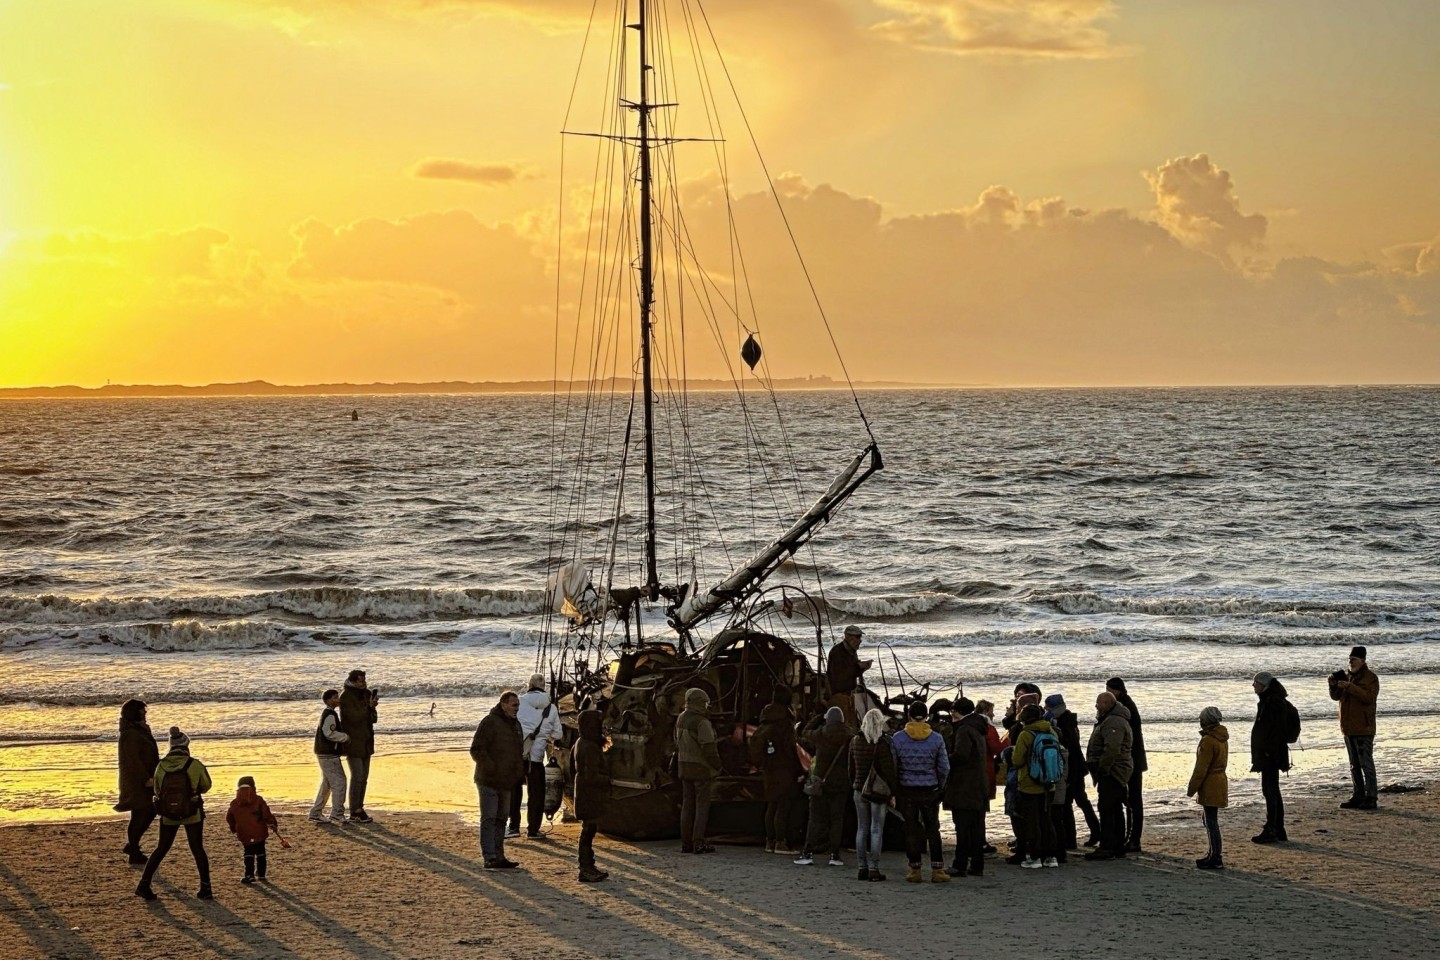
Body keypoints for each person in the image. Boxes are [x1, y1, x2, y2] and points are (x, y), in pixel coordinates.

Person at [135, 726, 213, 901]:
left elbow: (157, 790)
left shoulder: (161, 766)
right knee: (197, 848)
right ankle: (205, 888)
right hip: (192, 812)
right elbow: (206, 786)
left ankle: (144, 884)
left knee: (162, 848)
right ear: (186, 746)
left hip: (168, 814)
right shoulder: (195, 765)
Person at [892, 699, 950, 883]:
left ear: (909, 716)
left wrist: (897, 786)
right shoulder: (936, 738)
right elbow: (944, 767)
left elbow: (894, 764)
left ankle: (914, 869)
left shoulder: (898, 738)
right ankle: (937, 870)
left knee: (911, 829)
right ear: (926, 716)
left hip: (907, 788)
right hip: (930, 788)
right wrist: (941, 786)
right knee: (932, 828)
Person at [470, 690, 524, 869]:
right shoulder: (489, 722)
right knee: (489, 818)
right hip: (488, 780)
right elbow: (476, 749)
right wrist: (491, 767)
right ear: (503, 704)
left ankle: (499, 856)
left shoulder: (516, 725)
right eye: (514, 705)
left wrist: (518, 773)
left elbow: (518, 752)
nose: (517, 708)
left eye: (518, 705)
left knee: (502, 819)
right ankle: (489, 857)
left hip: (507, 781)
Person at [795, 706, 852, 867]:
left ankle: (808, 853)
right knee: (836, 819)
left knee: (815, 819)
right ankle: (834, 855)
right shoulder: (849, 735)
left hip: (820, 782)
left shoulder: (821, 734)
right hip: (841, 783)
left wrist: (819, 717)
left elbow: (804, 731)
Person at [750, 687, 802, 854]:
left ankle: (769, 841)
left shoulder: (765, 719)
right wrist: (799, 769)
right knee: (783, 805)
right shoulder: (785, 722)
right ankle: (781, 842)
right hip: (784, 768)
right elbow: (790, 748)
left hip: (768, 768)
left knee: (772, 804)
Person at [1083, 692, 1133, 862]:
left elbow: (1112, 749)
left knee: (1108, 809)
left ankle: (1108, 846)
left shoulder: (1114, 721)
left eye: (1099, 703)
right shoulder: (1110, 719)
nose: (1096, 706)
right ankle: (1117, 845)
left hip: (1113, 772)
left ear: (1107, 703)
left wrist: (1103, 769)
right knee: (1114, 809)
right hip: (1114, 771)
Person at [1045, 693, 1099, 850]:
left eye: (1048, 707)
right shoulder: (1068, 720)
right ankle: (1091, 832)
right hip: (1076, 767)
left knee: (1069, 803)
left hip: (1071, 769)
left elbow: (1067, 745)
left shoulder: (1062, 723)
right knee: (1079, 802)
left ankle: (1075, 837)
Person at [1011, 704, 1062, 869]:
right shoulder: (1051, 731)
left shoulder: (1025, 734)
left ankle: (1034, 857)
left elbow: (1017, 760)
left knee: (1032, 822)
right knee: (1047, 820)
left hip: (1029, 784)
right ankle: (1051, 856)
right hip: (1049, 783)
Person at [512, 673, 562, 839]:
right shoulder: (552, 708)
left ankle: (513, 827)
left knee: (515, 791)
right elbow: (558, 734)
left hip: (519, 755)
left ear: (529, 685)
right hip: (537, 759)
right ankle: (533, 830)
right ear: (544, 687)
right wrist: (544, 736)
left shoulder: (519, 702)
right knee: (537, 794)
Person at [1330, 646, 1380, 810]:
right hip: (1348, 727)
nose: (1351, 662)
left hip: (1363, 727)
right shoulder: (1347, 677)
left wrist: (1349, 687)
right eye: (1350, 659)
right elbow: (1336, 697)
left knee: (1366, 763)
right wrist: (1333, 686)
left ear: (1363, 661)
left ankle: (1371, 797)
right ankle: (1358, 795)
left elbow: (1368, 698)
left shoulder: (1371, 678)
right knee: (1354, 765)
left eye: (1354, 659)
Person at [849, 707, 896, 881]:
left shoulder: (855, 741)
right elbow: (888, 770)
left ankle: (862, 867)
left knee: (861, 828)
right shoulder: (882, 743)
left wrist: (855, 784)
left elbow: (851, 768)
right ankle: (874, 868)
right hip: (877, 791)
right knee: (876, 829)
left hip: (859, 789)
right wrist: (893, 791)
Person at [943, 697, 989, 877]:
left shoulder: (963, 729)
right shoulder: (978, 727)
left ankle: (960, 864)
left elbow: (961, 755)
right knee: (977, 827)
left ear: (956, 712)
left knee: (962, 827)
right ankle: (977, 864)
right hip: (978, 784)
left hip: (964, 785)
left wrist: (944, 758)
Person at [675, 687, 721, 854]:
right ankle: (698, 841)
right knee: (702, 806)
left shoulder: (680, 718)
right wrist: (718, 766)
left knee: (687, 805)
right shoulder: (701, 722)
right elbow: (709, 748)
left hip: (683, 766)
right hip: (700, 768)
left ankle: (686, 842)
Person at [1250, 672, 1295, 843]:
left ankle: (1272, 829)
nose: (1253, 686)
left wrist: (1267, 751)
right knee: (1272, 789)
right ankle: (1278, 828)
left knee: (1270, 790)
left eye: (1256, 683)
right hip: (1272, 752)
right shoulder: (1270, 699)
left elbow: (1276, 730)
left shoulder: (1272, 702)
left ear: (1264, 685)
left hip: (1271, 754)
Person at [116, 698, 160, 865]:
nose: (145, 714)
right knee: (141, 812)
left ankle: (132, 846)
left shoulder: (139, 730)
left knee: (148, 811)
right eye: (142, 712)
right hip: (137, 781)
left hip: (146, 777)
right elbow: (133, 761)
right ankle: (133, 850)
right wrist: (146, 779)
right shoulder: (130, 734)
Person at [1106, 677, 1147, 851]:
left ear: (1117, 691)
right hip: (1134, 759)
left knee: (1133, 800)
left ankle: (1133, 838)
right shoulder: (1127, 705)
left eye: (1109, 690)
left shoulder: (1123, 709)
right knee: (1132, 799)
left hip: (1130, 760)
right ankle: (1131, 837)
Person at [1186, 706, 1229, 870]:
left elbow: (1201, 768)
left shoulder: (1208, 741)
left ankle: (1215, 855)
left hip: (1210, 782)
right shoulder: (1222, 738)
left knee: (1211, 821)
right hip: (1219, 780)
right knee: (1210, 819)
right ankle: (1214, 853)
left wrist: (1192, 788)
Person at [573, 708, 610, 882]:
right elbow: (590, 775)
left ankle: (588, 864)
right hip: (589, 793)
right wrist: (607, 780)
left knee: (590, 829)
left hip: (586, 792)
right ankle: (585, 867)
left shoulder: (583, 742)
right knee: (588, 830)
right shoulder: (588, 746)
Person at [339, 669, 378, 823]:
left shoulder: (366, 693)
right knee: (357, 776)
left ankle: (359, 807)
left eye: (364, 680)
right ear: (353, 681)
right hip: (353, 740)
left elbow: (373, 719)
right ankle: (355, 809)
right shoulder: (346, 696)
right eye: (360, 680)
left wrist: (372, 707)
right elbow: (353, 718)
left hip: (366, 739)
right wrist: (368, 707)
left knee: (364, 777)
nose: (363, 683)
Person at [226, 776, 279, 884]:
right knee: (261, 851)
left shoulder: (235, 802)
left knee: (248, 852)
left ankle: (249, 875)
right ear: (253, 787)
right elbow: (266, 814)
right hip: (259, 830)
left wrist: (233, 828)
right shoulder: (258, 800)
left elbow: (229, 817)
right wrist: (272, 824)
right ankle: (261, 873)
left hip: (244, 831)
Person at [308, 689, 350, 824]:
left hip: (323, 753)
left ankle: (316, 812)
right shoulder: (330, 715)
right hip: (328, 754)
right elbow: (329, 733)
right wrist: (345, 737)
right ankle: (337, 813)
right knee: (339, 782)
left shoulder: (328, 713)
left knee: (327, 783)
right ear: (328, 700)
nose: (338, 699)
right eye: (335, 697)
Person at [826, 625, 872, 725]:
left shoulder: (852, 651)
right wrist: (858, 666)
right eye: (858, 637)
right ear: (849, 637)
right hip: (839, 695)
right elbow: (839, 675)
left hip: (849, 694)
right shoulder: (837, 652)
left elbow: (853, 673)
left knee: (851, 723)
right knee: (844, 724)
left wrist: (863, 668)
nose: (860, 640)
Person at [975, 699, 1003, 855]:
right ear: (986, 712)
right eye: (992, 711)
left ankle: (976, 841)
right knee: (981, 809)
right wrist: (1007, 742)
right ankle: (981, 842)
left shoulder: (969, 726)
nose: (993, 714)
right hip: (985, 770)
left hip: (974, 772)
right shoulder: (987, 727)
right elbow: (996, 748)